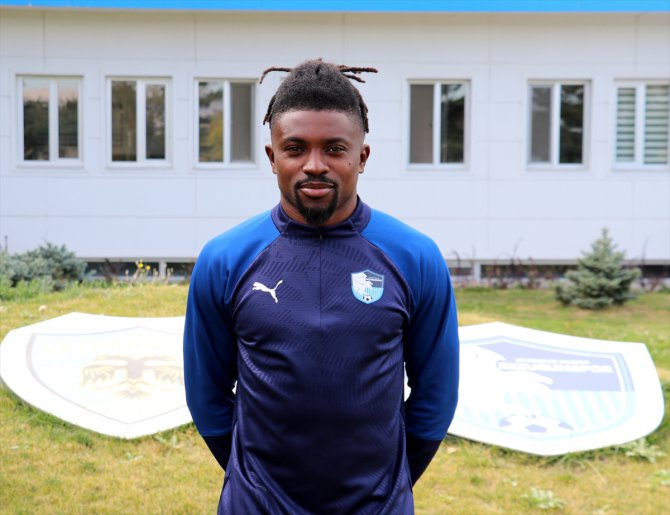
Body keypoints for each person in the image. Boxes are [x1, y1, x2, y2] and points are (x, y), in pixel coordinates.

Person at [183, 58, 459, 514]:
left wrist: (388, 483)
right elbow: (206, 396)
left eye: (334, 148)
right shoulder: (225, 259)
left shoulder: (414, 257)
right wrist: (255, 482)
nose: (314, 165)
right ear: (272, 157)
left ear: (361, 157)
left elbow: (436, 396)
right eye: (295, 148)